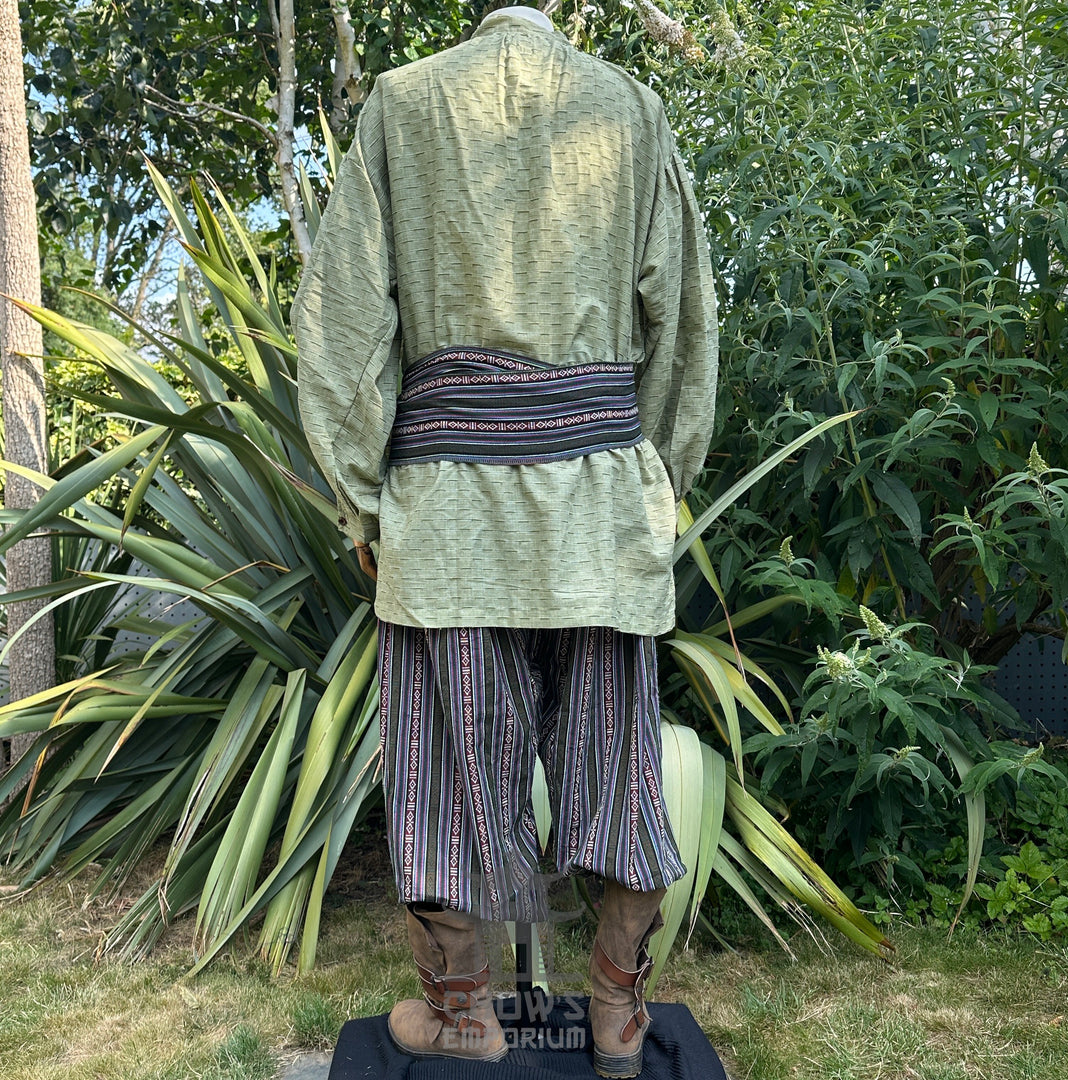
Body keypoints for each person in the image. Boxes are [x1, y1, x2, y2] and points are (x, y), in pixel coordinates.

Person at [292, 4, 718, 1075]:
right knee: (617, 773)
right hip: (599, 508)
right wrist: (655, 479)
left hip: (448, 513)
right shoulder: (630, 107)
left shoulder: (404, 102)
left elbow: (344, 325)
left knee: (445, 780)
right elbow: (684, 321)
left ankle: (463, 1015)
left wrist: (365, 502)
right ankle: (621, 1016)